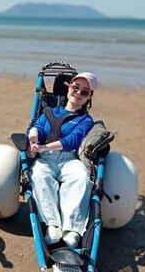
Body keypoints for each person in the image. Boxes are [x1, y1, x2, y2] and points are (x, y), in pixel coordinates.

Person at [27, 73, 99, 248]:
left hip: (69, 158)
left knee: (81, 178)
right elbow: (37, 128)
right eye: (76, 88)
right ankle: (52, 225)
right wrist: (33, 136)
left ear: (88, 97)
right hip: (45, 158)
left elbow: (72, 141)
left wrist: (44, 147)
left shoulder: (85, 120)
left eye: (84, 92)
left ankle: (72, 229)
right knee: (38, 175)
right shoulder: (48, 112)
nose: (78, 93)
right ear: (68, 87)